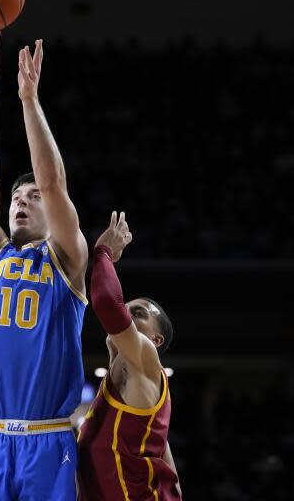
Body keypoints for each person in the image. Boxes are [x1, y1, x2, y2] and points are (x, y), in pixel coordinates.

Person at [0, 29, 89, 500]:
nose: (20, 204)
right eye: (16, 198)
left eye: (32, 198)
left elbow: (54, 182)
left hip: (47, 438)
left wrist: (28, 99)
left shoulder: (67, 259)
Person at [78, 212, 182, 500]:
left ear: (155, 340)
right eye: (129, 311)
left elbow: (108, 303)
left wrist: (103, 253)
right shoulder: (127, 381)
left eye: (138, 314)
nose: (128, 318)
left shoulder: (146, 360)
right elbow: (165, 458)